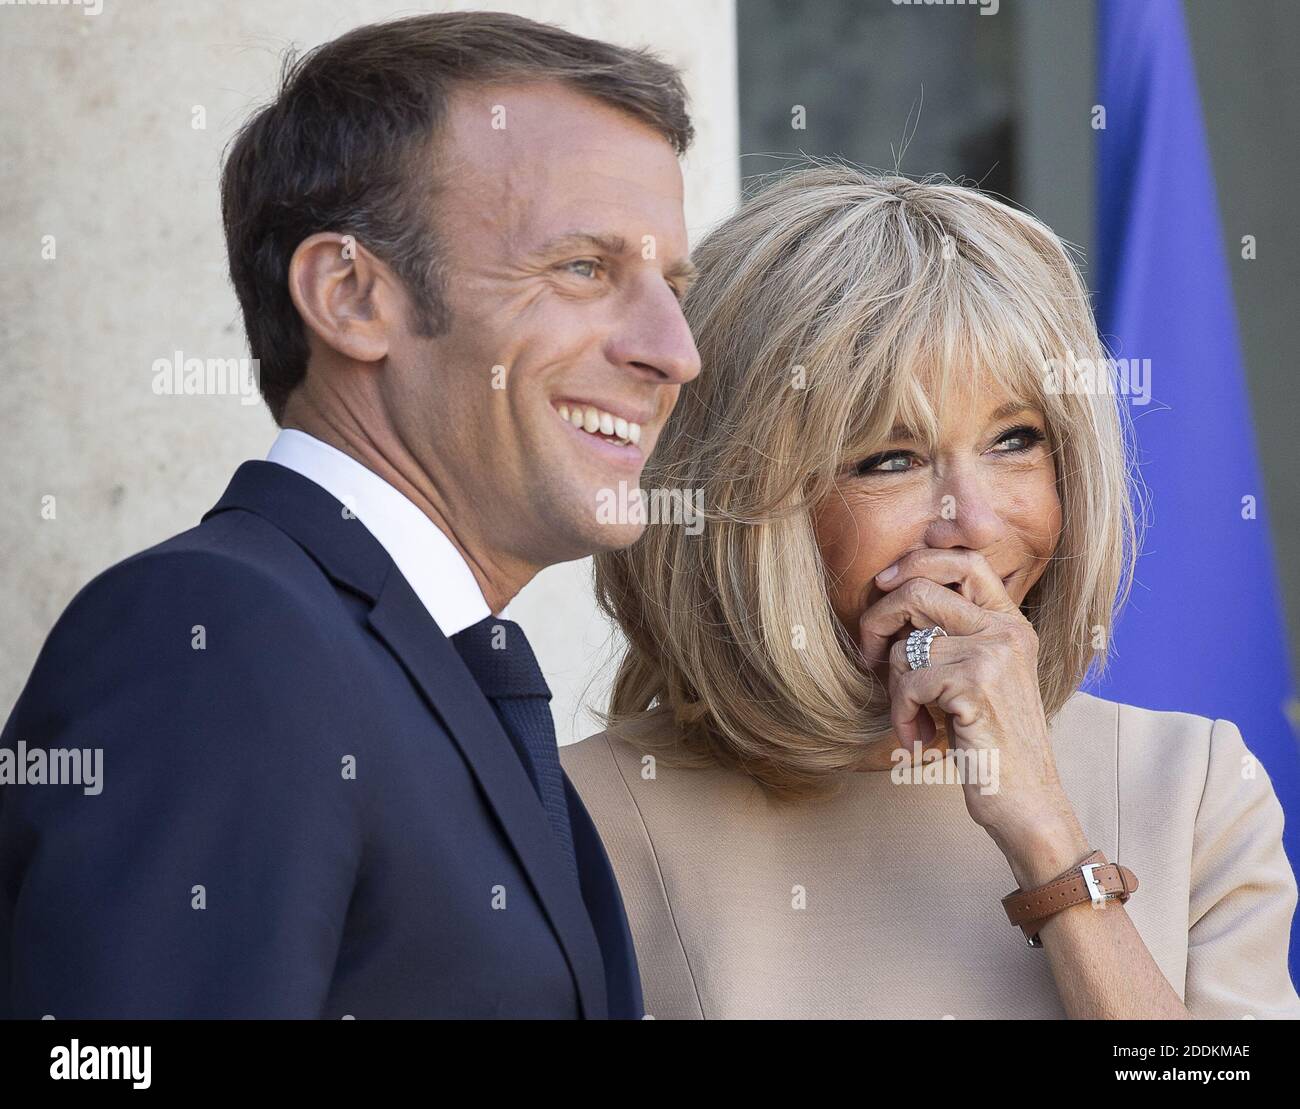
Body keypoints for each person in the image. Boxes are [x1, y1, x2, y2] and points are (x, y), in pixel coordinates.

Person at [0, 11, 699, 1018]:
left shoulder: (413, 660)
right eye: (585, 268)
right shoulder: (216, 635)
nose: (674, 350)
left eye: (673, 285)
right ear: (350, 294)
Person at [561, 163, 1300, 1019]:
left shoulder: (1193, 785)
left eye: (1016, 439)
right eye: (891, 459)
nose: (976, 522)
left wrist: (1048, 838)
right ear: (744, 505)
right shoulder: (575, 818)